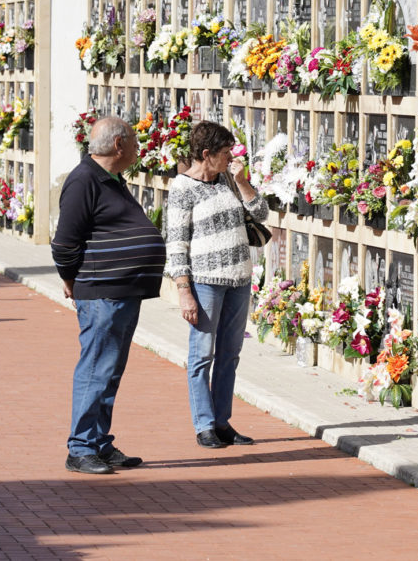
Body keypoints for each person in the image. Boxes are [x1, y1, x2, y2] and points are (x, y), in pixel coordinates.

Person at [52, 117, 166, 475]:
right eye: (133, 140)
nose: (138, 147)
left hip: (123, 290)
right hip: (102, 291)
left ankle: (99, 442)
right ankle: (81, 447)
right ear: (118, 145)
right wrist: (70, 279)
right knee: (96, 368)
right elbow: (65, 242)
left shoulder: (112, 179)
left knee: (110, 371)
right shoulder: (84, 179)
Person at [166, 121, 268, 449]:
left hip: (239, 278)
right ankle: (204, 425)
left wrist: (242, 182)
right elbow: (177, 244)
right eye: (225, 153)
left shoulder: (228, 179)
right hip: (206, 283)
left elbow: (262, 212)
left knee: (230, 354)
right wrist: (184, 292)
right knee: (201, 355)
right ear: (206, 154)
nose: (231, 158)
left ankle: (222, 422)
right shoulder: (183, 189)